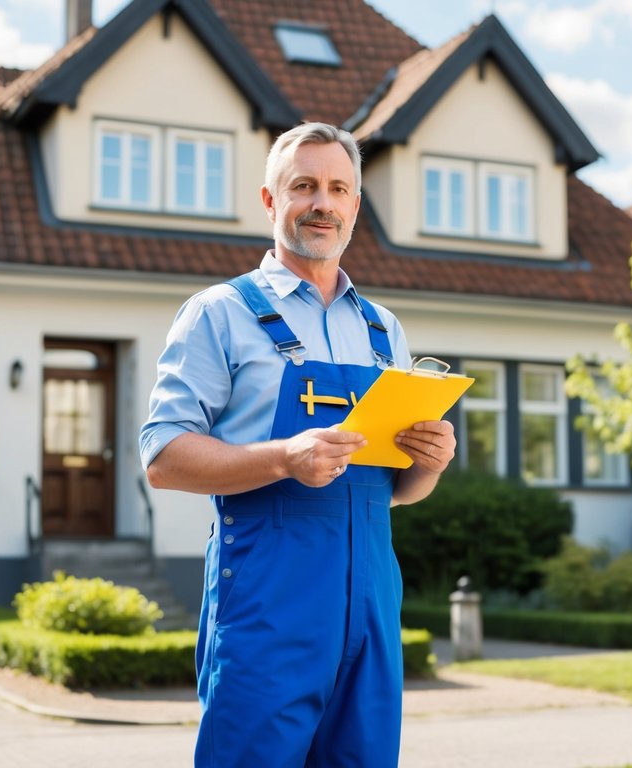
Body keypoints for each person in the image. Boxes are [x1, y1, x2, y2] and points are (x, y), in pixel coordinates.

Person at [140, 122, 456, 768]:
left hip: (369, 608)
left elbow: (392, 493)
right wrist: (284, 457)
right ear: (269, 201)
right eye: (304, 186)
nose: (323, 202)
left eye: (338, 188)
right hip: (267, 608)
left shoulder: (381, 330)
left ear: (355, 207)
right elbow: (163, 455)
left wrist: (428, 463)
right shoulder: (218, 313)